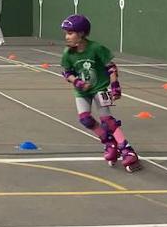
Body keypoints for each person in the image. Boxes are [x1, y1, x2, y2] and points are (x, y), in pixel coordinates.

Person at [60, 14, 141, 172]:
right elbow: (66, 72)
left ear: (81, 33)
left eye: (70, 33)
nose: (66, 37)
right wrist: (76, 81)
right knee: (85, 120)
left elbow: (111, 67)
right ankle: (109, 142)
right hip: (82, 91)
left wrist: (115, 84)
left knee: (108, 121)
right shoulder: (68, 53)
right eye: (66, 33)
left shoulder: (96, 48)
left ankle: (128, 150)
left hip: (100, 87)